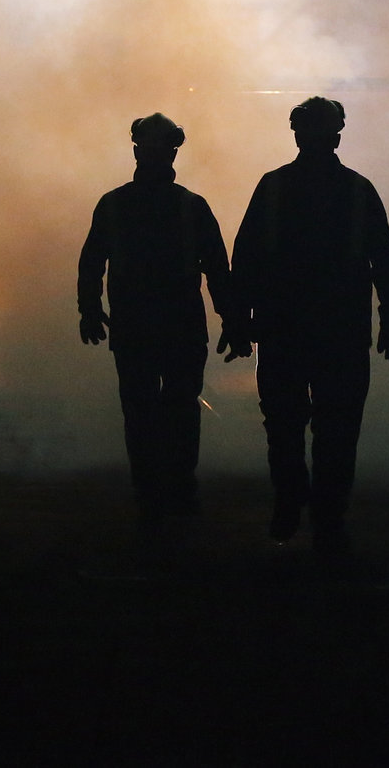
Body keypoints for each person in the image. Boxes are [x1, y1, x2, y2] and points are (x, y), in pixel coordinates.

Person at [233, 97, 389, 554]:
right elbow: (383, 258)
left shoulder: (273, 187)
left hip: (285, 328)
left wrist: (239, 319)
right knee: (337, 426)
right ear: (337, 134)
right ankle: (326, 516)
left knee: (286, 425)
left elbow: (246, 257)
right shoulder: (356, 189)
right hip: (339, 329)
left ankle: (292, 505)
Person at [77, 113, 248, 526]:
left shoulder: (115, 204)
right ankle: (177, 491)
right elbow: (218, 271)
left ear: (137, 150)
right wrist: (232, 320)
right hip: (180, 329)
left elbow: (92, 263)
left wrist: (90, 309)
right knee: (179, 411)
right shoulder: (190, 207)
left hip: (138, 328)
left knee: (141, 412)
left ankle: (151, 494)